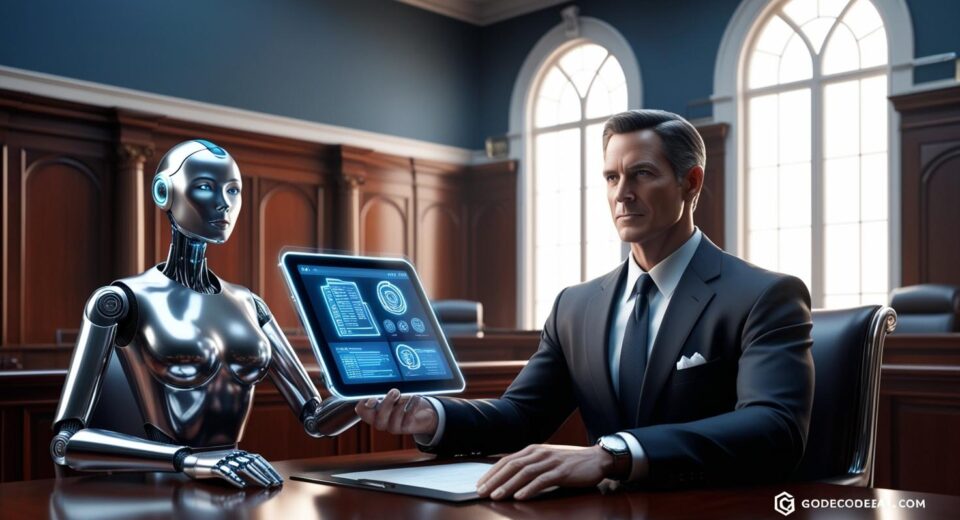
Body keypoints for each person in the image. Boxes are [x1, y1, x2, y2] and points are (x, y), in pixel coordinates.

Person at [355, 109, 815, 500]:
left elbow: (774, 427)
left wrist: (614, 454)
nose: (622, 193)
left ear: (690, 182)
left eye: (642, 174)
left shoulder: (765, 295)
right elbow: (521, 416)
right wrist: (433, 415)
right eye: (612, 177)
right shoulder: (574, 306)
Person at [50, 140, 359, 488]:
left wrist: (369, 399)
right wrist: (189, 460)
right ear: (164, 192)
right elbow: (65, 443)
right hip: (163, 490)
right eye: (204, 186)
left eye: (233, 190)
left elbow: (315, 418)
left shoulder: (250, 304)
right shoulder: (120, 301)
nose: (224, 203)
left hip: (240, 483)